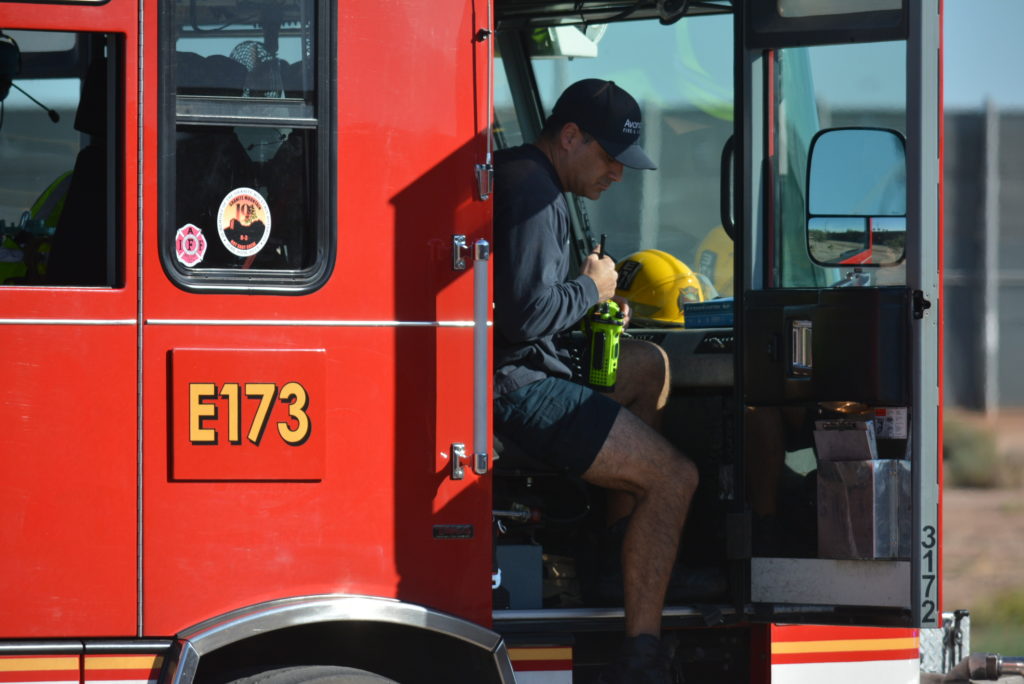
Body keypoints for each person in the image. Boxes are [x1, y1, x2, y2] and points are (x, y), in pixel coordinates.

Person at [492, 78, 700, 683]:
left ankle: (615, 560)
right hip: (518, 387)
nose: (618, 173)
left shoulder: (531, 176)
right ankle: (641, 656)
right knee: (674, 478)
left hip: (527, 366)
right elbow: (524, 317)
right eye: (610, 157)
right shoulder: (532, 191)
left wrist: (593, 304)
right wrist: (591, 288)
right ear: (570, 136)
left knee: (647, 365)